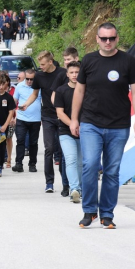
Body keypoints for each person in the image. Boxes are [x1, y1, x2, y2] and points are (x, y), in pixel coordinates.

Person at [70, 22, 135, 229]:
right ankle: (89, 211)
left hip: (118, 125)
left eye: (112, 38)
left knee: (112, 170)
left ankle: (107, 214)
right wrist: (74, 118)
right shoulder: (89, 61)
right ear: (97, 39)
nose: (108, 42)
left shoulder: (127, 61)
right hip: (91, 123)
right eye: (104, 38)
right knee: (90, 164)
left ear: (117, 39)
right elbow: (79, 91)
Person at [20, 51, 67, 193]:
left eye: (43, 64)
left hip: (62, 115)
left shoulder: (63, 73)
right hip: (47, 116)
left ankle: (66, 182)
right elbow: (35, 93)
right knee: (49, 149)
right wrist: (26, 104)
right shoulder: (39, 76)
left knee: (64, 150)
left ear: (50, 62)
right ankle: (49, 182)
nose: (40, 67)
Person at [54, 61, 83, 204]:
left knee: (81, 162)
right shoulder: (61, 91)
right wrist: (72, 123)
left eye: (77, 72)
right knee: (70, 159)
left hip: (85, 131)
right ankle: (74, 189)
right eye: (71, 72)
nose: (74, 75)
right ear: (67, 74)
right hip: (66, 131)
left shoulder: (87, 90)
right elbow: (59, 112)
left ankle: (81, 188)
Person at [13, 69, 41, 172]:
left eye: (31, 79)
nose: (29, 81)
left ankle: (32, 164)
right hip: (21, 117)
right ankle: (18, 163)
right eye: (27, 79)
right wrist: (12, 115)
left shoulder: (38, 87)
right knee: (20, 140)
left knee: (33, 142)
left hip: (35, 119)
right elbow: (14, 101)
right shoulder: (20, 86)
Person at [0, 74, 16, 177]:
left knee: (2, 146)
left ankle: (0, 165)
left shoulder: (8, 97)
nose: (1, 87)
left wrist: (6, 125)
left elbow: (11, 112)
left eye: (3, 84)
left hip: (3, 125)